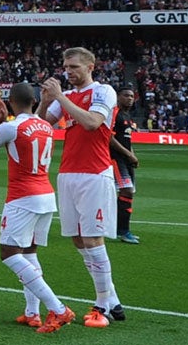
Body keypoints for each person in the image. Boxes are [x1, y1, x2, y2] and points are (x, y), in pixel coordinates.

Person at [0, 80, 73, 332]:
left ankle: (58, 309)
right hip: (46, 195)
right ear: (35, 101)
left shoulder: (11, 127)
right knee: (29, 253)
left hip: (22, 197)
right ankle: (32, 313)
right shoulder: (46, 126)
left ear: (11, 102)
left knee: (9, 254)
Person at [39, 47, 126, 326]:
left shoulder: (103, 91)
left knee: (92, 238)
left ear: (90, 67)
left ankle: (100, 307)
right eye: (66, 67)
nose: (69, 72)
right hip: (68, 173)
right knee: (78, 239)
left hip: (94, 173)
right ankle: (111, 299)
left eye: (74, 67)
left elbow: (92, 123)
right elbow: (41, 125)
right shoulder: (68, 97)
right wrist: (44, 101)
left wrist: (61, 97)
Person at [111, 85, 141, 241]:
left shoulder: (127, 116)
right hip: (115, 159)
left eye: (131, 96)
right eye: (126, 95)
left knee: (127, 194)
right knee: (126, 191)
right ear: (118, 96)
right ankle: (122, 231)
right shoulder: (114, 113)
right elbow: (109, 138)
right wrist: (129, 154)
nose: (130, 98)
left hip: (126, 160)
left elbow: (128, 140)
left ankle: (118, 229)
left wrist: (132, 155)